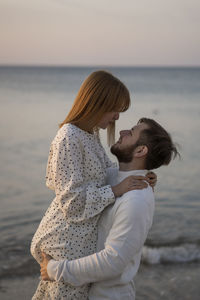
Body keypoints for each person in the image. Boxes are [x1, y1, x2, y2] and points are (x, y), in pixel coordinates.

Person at [31, 71, 156, 299]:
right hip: (66, 242)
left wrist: (142, 175)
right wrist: (118, 189)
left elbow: (105, 174)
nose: (118, 117)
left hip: (78, 242)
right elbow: (73, 203)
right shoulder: (68, 136)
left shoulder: (89, 134)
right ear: (97, 102)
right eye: (115, 108)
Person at [40, 117, 179, 300]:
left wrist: (55, 270)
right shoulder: (113, 177)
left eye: (131, 132)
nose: (122, 132)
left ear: (140, 150)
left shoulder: (137, 199)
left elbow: (113, 261)